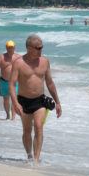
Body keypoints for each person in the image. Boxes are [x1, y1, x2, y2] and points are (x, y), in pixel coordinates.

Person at [10, 34, 62, 164]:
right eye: (38, 48)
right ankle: (29, 155)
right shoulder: (19, 63)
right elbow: (12, 84)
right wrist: (15, 103)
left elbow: (49, 83)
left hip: (40, 101)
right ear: (29, 48)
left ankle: (36, 159)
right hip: (23, 101)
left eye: (41, 47)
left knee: (38, 126)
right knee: (27, 130)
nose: (41, 50)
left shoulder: (44, 62)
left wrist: (58, 102)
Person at [0, 40, 21, 120]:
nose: (10, 49)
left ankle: (13, 117)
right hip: (4, 81)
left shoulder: (18, 57)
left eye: (12, 47)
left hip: (14, 82)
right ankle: (7, 115)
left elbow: (23, 69)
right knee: (6, 99)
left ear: (14, 48)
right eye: (9, 47)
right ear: (6, 48)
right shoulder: (2, 57)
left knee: (14, 99)